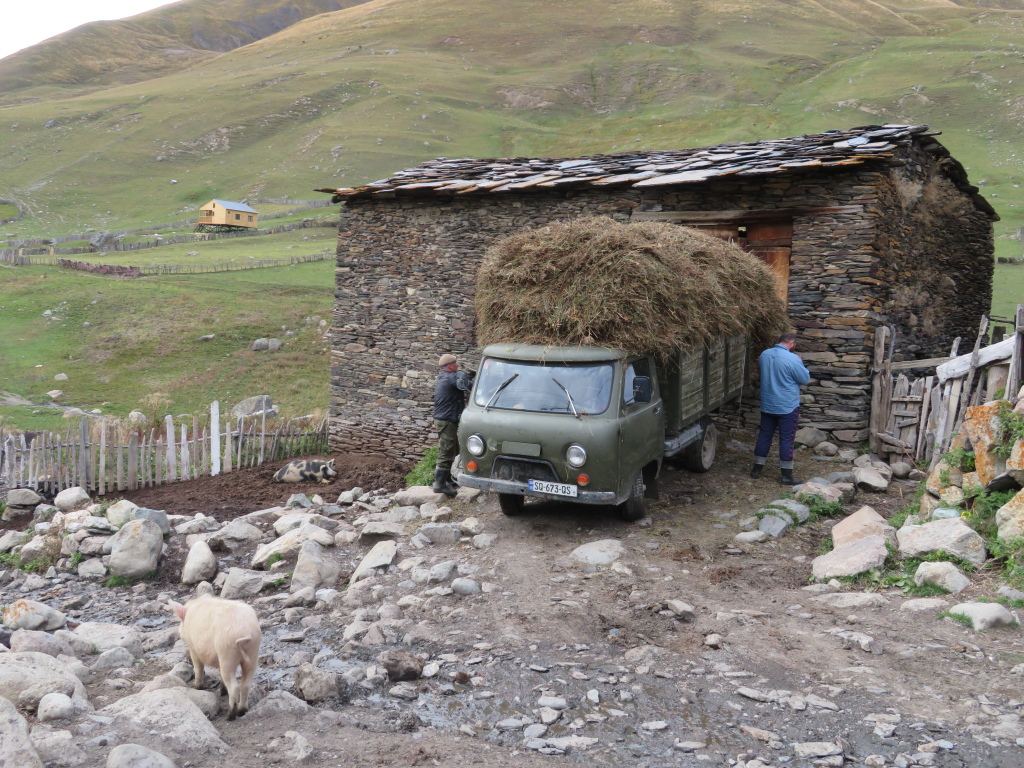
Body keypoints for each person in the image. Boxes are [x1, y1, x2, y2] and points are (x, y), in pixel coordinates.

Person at [751, 332, 811, 485]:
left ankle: (756, 470)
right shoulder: (792, 358)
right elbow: (804, 379)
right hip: (787, 405)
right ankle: (786, 476)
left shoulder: (764, 355)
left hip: (768, 403)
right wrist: (799, 362)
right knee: (786, 439)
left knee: (764, 435)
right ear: (792, 343)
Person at [432, 353, 473, 496]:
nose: (457, 365)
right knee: (446, 451)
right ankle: (439, 484)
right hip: (446, 420)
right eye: (455, 363)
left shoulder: (444, 377)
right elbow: (465, 386)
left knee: (454, 449)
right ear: (450, 366)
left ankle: (447, 479)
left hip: (445, 419)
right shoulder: (450, 378)